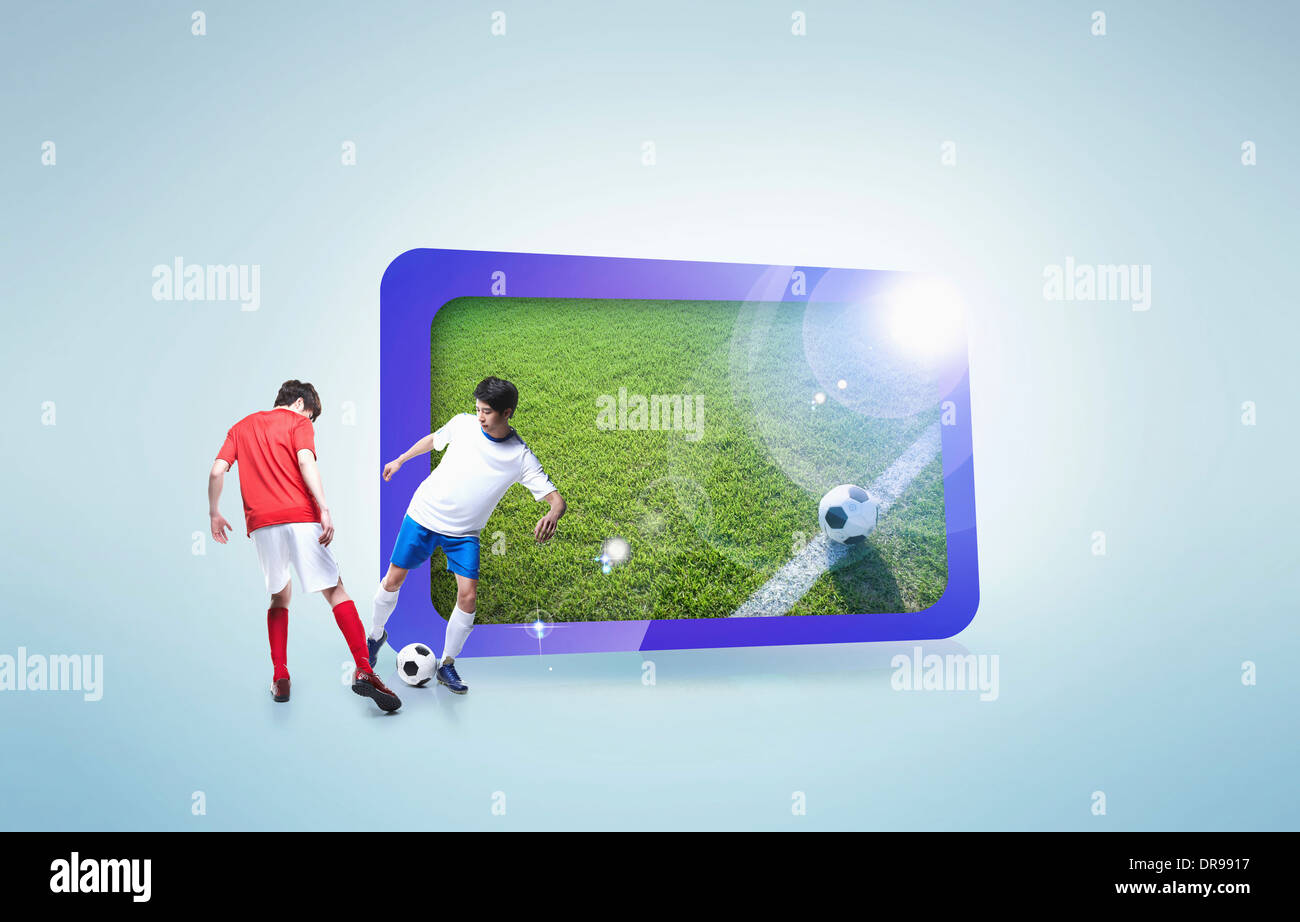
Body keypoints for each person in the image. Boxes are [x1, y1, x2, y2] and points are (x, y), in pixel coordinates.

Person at [208, 379, 402, 712]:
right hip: (300, 516)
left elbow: (216, 471)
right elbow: (305, 461)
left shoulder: (240, 427)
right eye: (312, 416)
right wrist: (324, 507)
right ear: (300, 404)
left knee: (279, 596)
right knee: (335, 591)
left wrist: (214, 513)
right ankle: (364, 669)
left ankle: (280, 676)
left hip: (263, 525)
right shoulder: (298, 422)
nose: (310, 423)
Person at [369, 376, 565, 694]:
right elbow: (434, 440)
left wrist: (553, 512)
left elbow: (555, 498)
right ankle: (375, 635)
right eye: (477, 409)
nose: (480, 417)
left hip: (464, 533)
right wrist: (401, 460)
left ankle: (447, 664)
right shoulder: (462, 424)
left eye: (487, 411)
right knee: (393, 580)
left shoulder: (519, 456)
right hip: (423, 515)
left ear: (507, 412)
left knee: (469, 596)